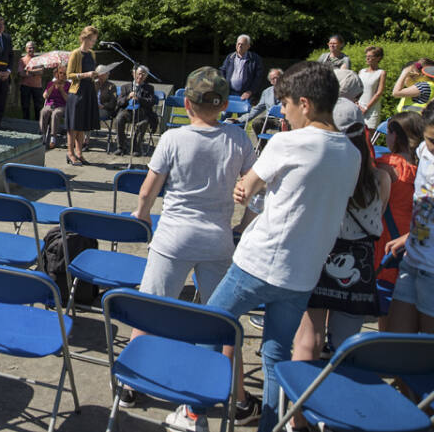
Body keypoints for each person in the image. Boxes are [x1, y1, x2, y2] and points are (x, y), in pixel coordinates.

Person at [205, 61, 360, 432]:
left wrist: (246, 188)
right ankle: (271, 425)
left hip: (259, 263)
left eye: (286, 105)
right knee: (275, 355)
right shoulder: (352, 154)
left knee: (208, 327)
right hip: (302, 274)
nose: (283, 113)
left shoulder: (288, 142)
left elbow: (248, 186)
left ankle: (197, 408)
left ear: (304, 104)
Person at [126, 67, 259, 424]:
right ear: (225, 105)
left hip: (173, 237)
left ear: (186, 103)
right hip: (217, 239)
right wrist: (243, 226)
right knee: (223, 322)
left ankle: (131, 384)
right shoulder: (238, 138)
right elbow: (257, 190)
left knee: (150, 309)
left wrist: (142, 216)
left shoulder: (173, 138)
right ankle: (240, 400)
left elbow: (148, 190)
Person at [289, 99, 390, 430]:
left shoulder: (319, 172)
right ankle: (337, 418)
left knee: (308, 340)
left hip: (319, 256)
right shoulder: (381, 178)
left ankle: (297, 419)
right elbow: (375, 221)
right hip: (360, 266)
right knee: (347, 349)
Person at [384, 103, 434, 336]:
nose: (433, 147)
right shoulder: (424, 151)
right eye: (430, 139)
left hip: (431, 271)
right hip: (412, 260)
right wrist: (409, 235)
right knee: (397, 344)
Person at [374, 112, 423, 331]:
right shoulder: (423, 169)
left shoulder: (385, 165)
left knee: (384, 312)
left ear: (395, 136)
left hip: (386, 247)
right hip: (412, 246)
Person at [65, 25, 100, 166]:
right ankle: (70, 153)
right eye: (92, 40)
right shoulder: (75, 53)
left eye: (95, 40)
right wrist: (85, 74)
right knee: (73, 125)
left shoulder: (92, 54)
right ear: (85, 38)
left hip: (88, 91)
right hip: (77, 92)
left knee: (82, 124)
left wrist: (96, 74)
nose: (93, 43)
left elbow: (92, 71)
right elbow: (69, 75)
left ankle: (79, 153)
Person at [113, 64, 158, 156]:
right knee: (118, 120)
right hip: (127, 111)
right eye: (139, 73)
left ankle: (136, 148)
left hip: (142, 112)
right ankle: (121, 147)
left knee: (143, 123)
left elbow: (151, 102)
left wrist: (139, 98)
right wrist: (128, 97)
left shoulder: (149, 88)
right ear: (134, 74)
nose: (140, 76)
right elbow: (119, 102)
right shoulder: (125, 87)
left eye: (143, 74)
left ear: (146, 76)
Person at [227, 68, 282, 138]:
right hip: (271, 119)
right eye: (273, 79)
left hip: (286, 119)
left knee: (285, 126)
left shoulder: (290, 90)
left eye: (277, 78)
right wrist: (240, 119)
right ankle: (262, 144)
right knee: (257, 123)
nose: (276, 80)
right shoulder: (266, 92)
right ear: (270, 81)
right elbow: (257, 109)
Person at [219, 34, 264, 101]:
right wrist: (224, 86)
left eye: (242, 44)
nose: (240, 46)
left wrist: (250, 91)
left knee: (244, 108)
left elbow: (258, 77)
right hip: (229, 92)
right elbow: (222, 71)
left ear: (248, 46)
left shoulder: (255, 59)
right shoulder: (230, 57)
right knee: (227, 108)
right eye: (238, 44)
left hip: (246, 94)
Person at [39, 65, 69, 149]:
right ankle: (43, 135)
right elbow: (45, 96)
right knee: (43, 111)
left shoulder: (69, 85)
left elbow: (68, 100)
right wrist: (52, 87)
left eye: (64, 74)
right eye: (60, 73)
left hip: (62, 106)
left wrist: (61, 90)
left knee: (56, 113)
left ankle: (53, 138)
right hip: (50, 104)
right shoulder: (51, 83)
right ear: (57, 74)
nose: (62, 75)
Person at [358, 45, 387, 130]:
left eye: (370, 56)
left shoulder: (381, 73)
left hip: (372, 109)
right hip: (358, 108)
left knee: (369, 136)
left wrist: (366, 108)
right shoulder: (361, 72)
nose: (367, 58)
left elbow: (379, 93)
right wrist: (356, 104)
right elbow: (356, 89)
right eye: (366, 56)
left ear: (378, 58)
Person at [18, 41, 44, 121]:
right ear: (26, 49)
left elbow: (41, 71)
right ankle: (26, 123)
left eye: (33, 48)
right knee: (25, 106)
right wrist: (35, 72)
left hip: (37, 86)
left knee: (38, 106)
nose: (31, 49)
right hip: (25, 86)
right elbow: (21, 73)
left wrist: (29, 71)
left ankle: (38, 123)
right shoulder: (22, 60)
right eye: (29, 48)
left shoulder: (38, 59)